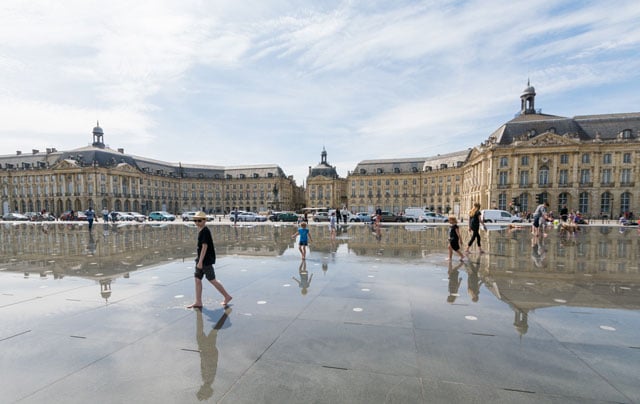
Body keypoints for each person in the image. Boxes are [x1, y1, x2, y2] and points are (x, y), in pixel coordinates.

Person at [187, 211, 232, 309]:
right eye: (195, 220)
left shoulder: (205, 231)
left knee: (212, 280)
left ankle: (227, 296)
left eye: (199, 220)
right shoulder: (201, 230)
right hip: (200, 259)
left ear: (204, 220)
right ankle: (198, 301)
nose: (197, 222)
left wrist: (200, 262)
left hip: (205, 261)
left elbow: (204, 247)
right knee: (197, 279)